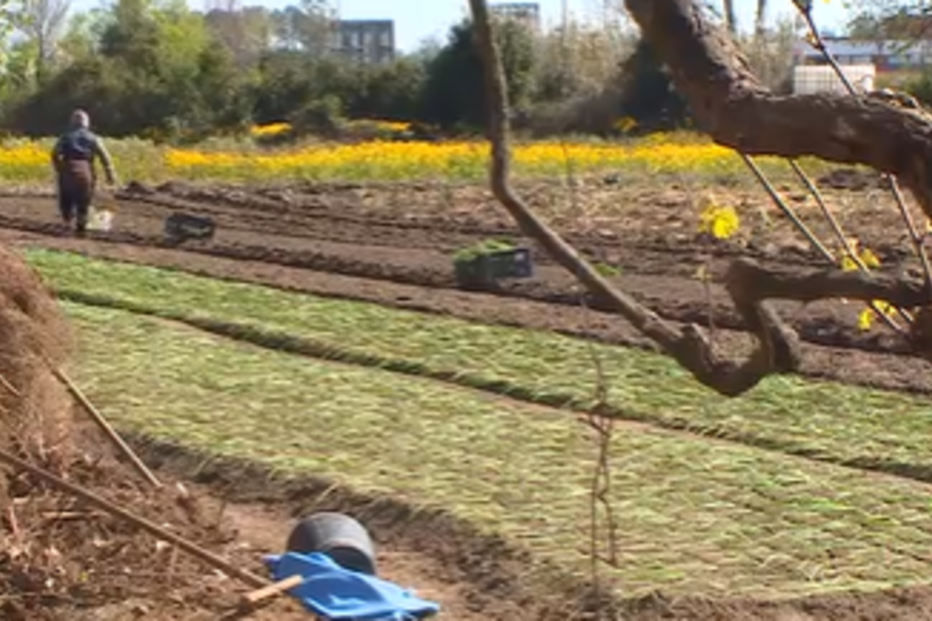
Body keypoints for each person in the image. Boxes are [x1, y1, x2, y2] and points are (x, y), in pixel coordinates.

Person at [50, 109, 118, 237]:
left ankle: (67, 221)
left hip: (67, 168)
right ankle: (81, 225)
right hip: (85, 168)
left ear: (72, 123)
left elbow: (54, 153)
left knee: (66, 197)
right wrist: (110, 175)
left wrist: (59, 168)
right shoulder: (93, 138)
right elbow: (105, 157)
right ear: (86, 123)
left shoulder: (65, 137)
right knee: (84, 198)